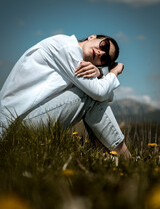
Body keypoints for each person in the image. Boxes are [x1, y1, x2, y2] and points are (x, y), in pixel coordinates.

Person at [0, 34, 131, 159]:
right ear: (92, 37)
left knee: (92, 95)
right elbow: (100, 93)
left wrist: (101, 75)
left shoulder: (78, 61)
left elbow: (107, 96)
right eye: (104, 45)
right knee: (89, 96)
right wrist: (114, 72)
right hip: (13, 127)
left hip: (24, 121)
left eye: (105, 59)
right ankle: (126, 158)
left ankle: (106, 155)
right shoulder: (67, 48)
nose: (101, 53)